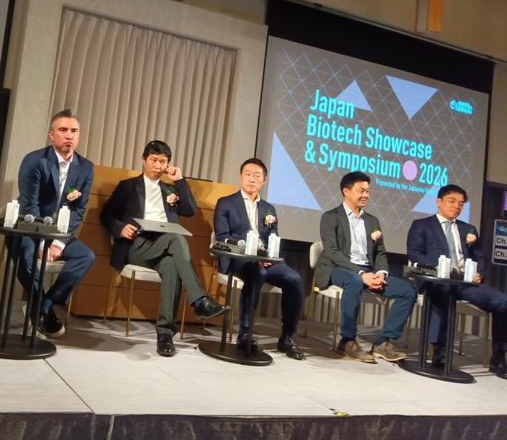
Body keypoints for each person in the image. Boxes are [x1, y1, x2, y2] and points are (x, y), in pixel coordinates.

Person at [101, 140, 229, 357]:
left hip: (165, 247)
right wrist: (120, 228)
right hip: (136, 245)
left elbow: (190, 210)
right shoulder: (128, 186)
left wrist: (179, 180)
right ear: (143, 160)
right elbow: (107, 214)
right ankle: (200, 301)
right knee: (175, 237)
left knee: (171, 265)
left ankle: (165, 334)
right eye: (154, 160)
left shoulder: (170, 189)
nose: (158, 166)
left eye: (163, 162)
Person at [406, 184, 507, 377]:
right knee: (444, 292)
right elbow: (414, 253)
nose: (457, 206)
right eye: (452, 201)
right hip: (437, 281)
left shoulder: (468, 229)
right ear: (439, 202)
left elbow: (480, 257)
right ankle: (439, 349)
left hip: (465, 283)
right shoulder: (421, 225)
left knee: (503, 302)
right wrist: (439, 270)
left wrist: (479, 273)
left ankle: (499, 356)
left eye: (461, 203)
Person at [316, 171, 416, 363]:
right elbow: (332, 252)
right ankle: (347, 341)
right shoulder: (330, 217)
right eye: (361, 191)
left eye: (368, 191)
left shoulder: (372, 221)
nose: (365, 195)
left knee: (408, 291)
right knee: (354, 281)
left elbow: (380, 253)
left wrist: (381, 273)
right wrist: (361, 273)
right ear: (346, 191)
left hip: (368, 271)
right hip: (338, 267)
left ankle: (382, 342)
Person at [214, 158, 304, 360]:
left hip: (264, 259)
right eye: (247, 174)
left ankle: (287, 338)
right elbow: (222, 237)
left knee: (294, 279)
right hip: (239, 258)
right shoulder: (226, 203)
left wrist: (268, 255)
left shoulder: (268, 209)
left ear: (264, 180)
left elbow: (274, 236)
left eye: (257, 176)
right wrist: (250, 250)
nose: (252, 179)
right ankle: (245, 333)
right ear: (240, 177)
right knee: (257, 272)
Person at [15, 109, 95, 338]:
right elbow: (30, 206)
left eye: (74, 131)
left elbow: (78, 210)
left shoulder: (86, 167)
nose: (69, 135)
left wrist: (58, 243)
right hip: (28, 228)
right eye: (63, 130)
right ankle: (42, 310)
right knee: (26, 255)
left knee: (86, 256)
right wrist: (42, 243)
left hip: (60, 233)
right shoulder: (35, 160)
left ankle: (44, 306)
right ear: (51, 135)